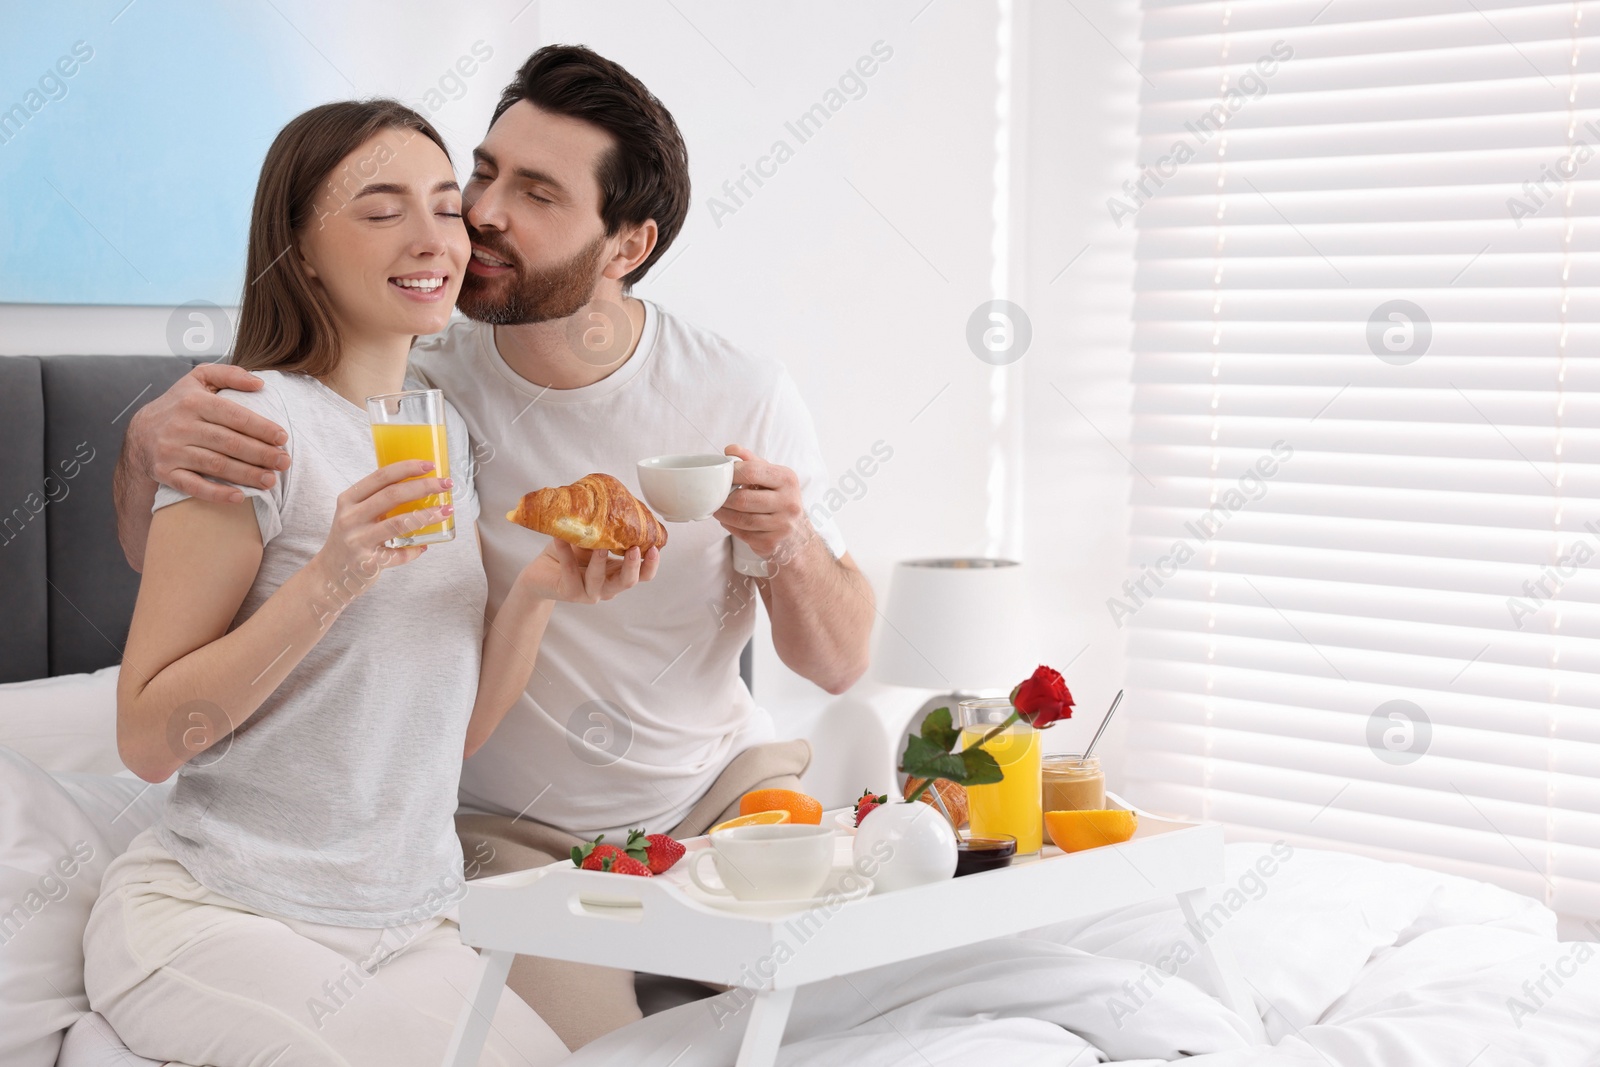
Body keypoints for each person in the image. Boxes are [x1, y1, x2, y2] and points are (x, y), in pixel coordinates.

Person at [112, 45, 876, 1049]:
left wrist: (768, 545)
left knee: (852, 970)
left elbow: (837, 661)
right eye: (481, 176)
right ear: (301, 246)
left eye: (532, 192)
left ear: (625, 245)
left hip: (684, 797)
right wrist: (139, 447)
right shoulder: (342, 405)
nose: (472, 220)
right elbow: (160, 676)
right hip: (448, 849)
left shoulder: (487, 414)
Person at [86, 99, 658, 1067]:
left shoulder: (436, 428)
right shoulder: (251, 424)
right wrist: (331, 577)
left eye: (445, 206)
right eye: (380, 208)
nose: (433, 236)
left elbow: (444, 733)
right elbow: (147, 737)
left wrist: (537, 593)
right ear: (301, 248)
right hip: (221, 915)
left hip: (410, 926)